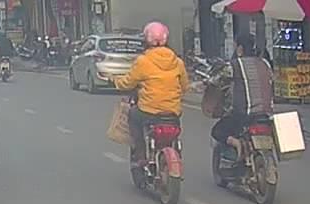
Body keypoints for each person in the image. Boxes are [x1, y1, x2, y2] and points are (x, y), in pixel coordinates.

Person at [112, 21, 190, 164]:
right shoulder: (178, 62)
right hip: (173, 112)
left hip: (148, 111)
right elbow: (185, 86)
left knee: (133, 115)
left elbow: (127, 83)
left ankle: (140, 153)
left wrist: (116, 81)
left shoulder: (143, 61)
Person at [209, 32, 274, 167]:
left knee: (218, 131)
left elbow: (217, 81)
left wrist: (203, 84)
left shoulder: (235, 65)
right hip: (267, 115)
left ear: (239, 48)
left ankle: (236, 143)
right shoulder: (265, 64)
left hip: (245, 115)